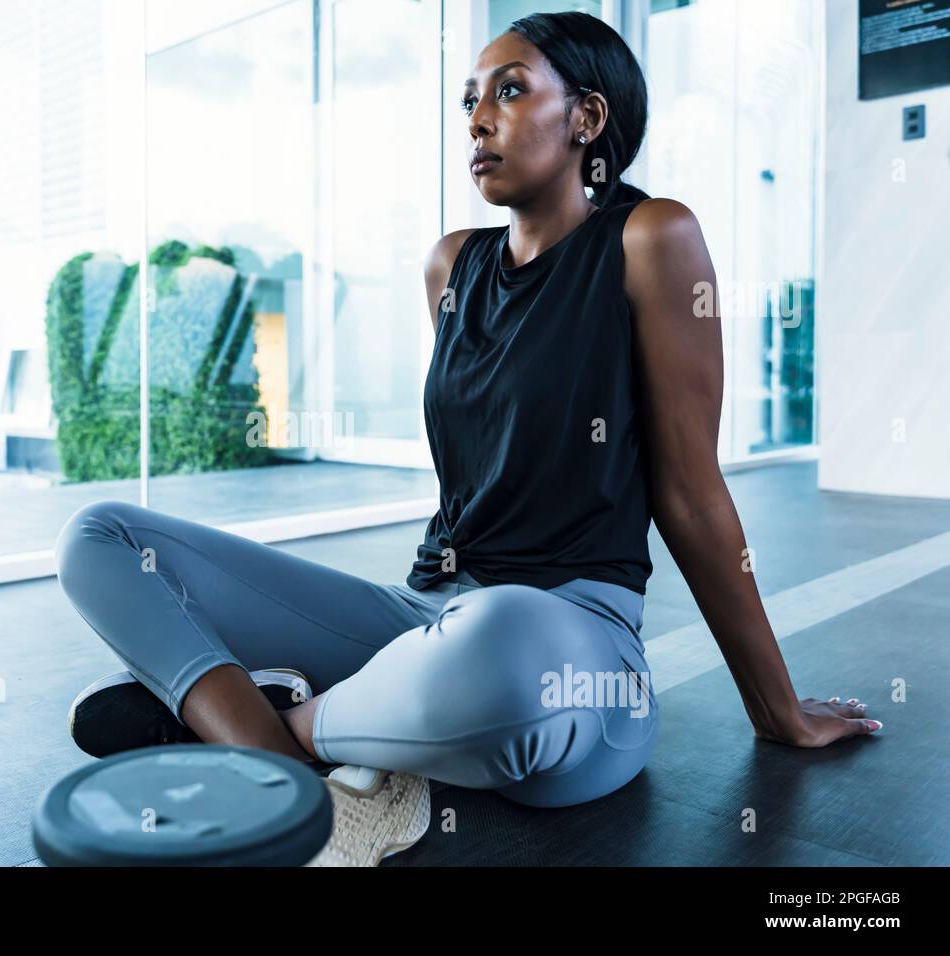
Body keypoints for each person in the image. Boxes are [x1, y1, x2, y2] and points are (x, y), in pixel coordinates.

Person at [54, 12, 879, 867]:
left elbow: (692, 492)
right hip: (422, 621)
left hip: (566, 653)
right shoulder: (452, 265)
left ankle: (263, 724)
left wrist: (777, 711)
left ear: (587, 119)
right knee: (103, 537)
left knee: (504, 641)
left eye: (511, 91)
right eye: (469, 100)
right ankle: (281, 759)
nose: (478, 119)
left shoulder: (650, 238)